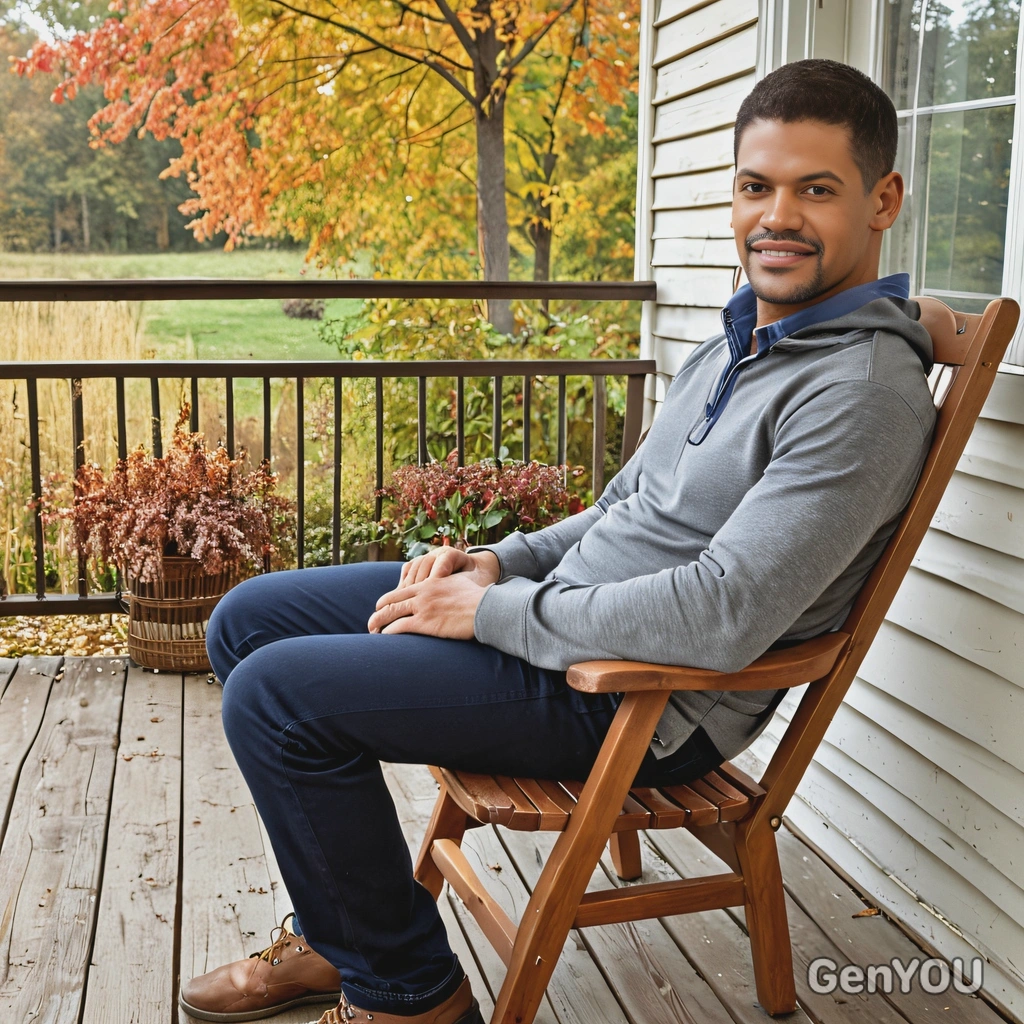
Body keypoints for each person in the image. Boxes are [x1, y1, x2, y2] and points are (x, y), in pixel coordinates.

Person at [179, 58, 937, 1024]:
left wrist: (489, 612)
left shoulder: (859, 393)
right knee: (249, 617)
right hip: (563, 619)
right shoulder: (742, 339)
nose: (777, 216)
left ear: (883, 200)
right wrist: (502, 560)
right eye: (758, 186)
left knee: (276, 700)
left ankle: (408, 992)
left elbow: (721, 615)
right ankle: (348, 932)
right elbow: (625, 508)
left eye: (814, 190)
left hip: (637, 698)